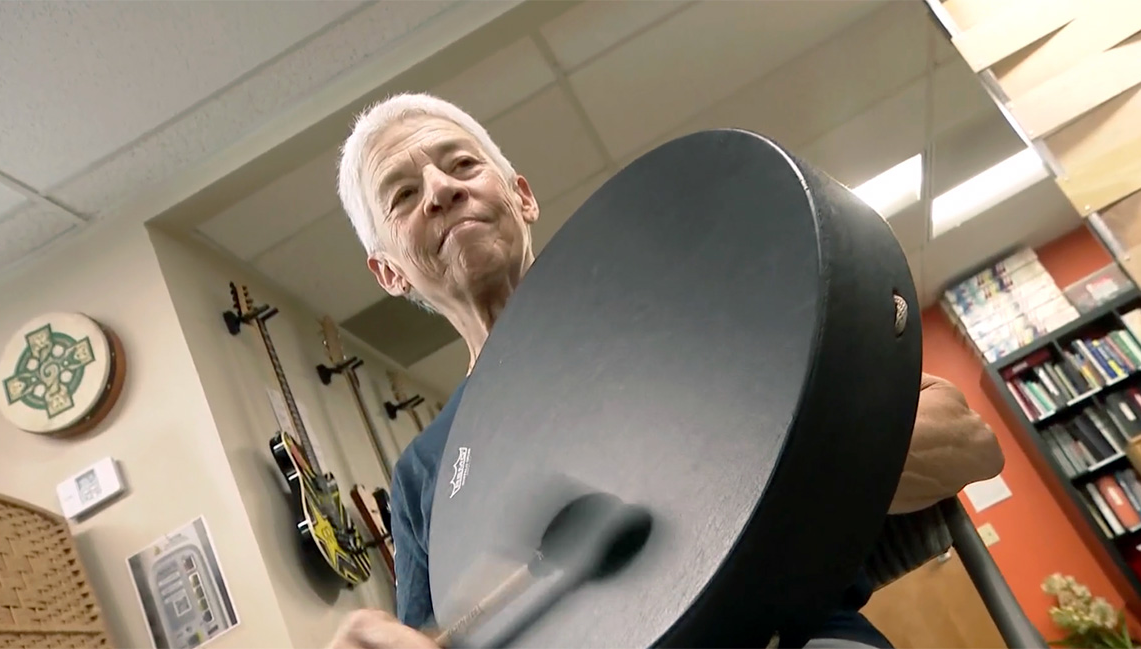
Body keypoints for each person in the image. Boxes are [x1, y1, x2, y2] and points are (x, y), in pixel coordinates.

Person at [327, 92, 1005, 649]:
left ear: (523, 196)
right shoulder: (425, 474)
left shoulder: (679, 301)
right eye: (404, 194)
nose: (441, 191)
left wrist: (729, 491)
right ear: (388, 271)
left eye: (462, 165)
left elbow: (966, 437)